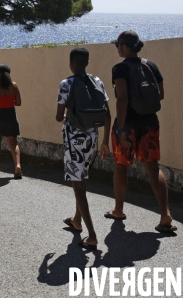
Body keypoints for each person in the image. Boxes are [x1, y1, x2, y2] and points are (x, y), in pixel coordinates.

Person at [108, 30, 176, 233]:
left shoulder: (119, 68)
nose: (117, 49)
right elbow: (160, 95)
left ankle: (118, 210)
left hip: (127, 123)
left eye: (118, 45)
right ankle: (165, 215)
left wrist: (120, 128)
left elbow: (122, 98)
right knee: (153, 169)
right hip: (150, 123)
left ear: (125, 47)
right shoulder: (151, 65)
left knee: (121, 166)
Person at [56, 47, 111, 250]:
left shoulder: (66, 84)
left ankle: (92, 235)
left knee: (78, 187)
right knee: (82, 179)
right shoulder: (97, 81)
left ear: (71, 63)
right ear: (86, 63)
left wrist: (65, 117)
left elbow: (58, 115)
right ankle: (76, 220)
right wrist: (105, 141)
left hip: (73, 141)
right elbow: (107, 114)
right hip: (92, 139)